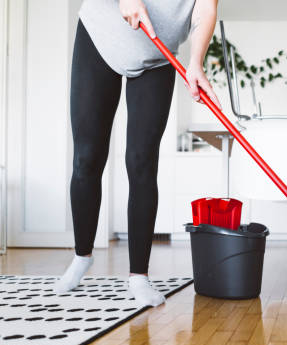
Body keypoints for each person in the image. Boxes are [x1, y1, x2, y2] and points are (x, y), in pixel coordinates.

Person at [54, 0, 220, 307]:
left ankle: (139, 277)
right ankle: (82, 256)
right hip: (100, 35)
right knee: (87, 156)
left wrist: (196, 61)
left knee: (142, 161)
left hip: (158, 55)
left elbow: (205, 9)